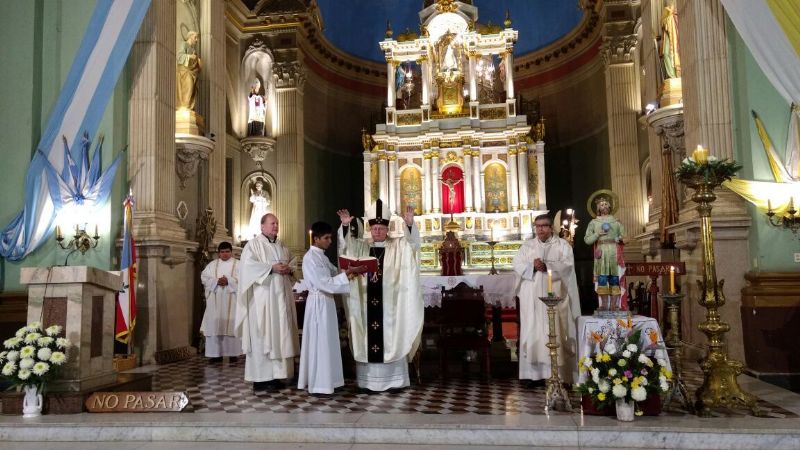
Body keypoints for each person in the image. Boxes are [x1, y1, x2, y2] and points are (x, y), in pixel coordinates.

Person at [337, 200, 423, 392]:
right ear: (370, 228)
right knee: (367, 335)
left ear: (388, 228)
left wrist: (409, 225)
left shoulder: (398, 246)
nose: (377, 231)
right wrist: (344, 226)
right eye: (374, 228)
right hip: (366, 302)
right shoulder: (360, 247)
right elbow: (344, 249)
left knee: (391, 335)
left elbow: (414, 247)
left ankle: (395, 381)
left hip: (391, 305)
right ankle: (368, 382)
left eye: (381, 228)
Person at [298, 221, 367, 395]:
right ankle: (319, 384)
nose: (330, 241)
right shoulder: (310, 258)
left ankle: (332, 380)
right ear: (316, 239)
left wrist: (349, 272)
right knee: (320, 342)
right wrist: (346, 275)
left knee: (329, 341)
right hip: (318, 304)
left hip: (327, 303)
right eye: (326, 238)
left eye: (330, 237)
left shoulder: (322, 256)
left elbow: (335, 274)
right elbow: (324, 283)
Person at [513, 214, 580, 386]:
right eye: (537, 226)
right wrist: (532, 267)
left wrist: (548, 266)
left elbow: (568, 266)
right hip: (533, 296)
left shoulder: (562, 245)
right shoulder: (527, 246)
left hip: (555, 295)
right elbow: (517, 264)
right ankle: (534, 376)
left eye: (544, 226)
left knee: (556, 329)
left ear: (551, 228)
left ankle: (559, 375)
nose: (540, 229)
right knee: (533, 329)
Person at [235, 213, 298, 391]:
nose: (275, 226)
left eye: (277, 223)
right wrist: (271, 268)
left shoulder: (282, 245)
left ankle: (277, 376)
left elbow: (293, 262)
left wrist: (289, 269)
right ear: (262, 227)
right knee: (262, 336)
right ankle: (261, 379)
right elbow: (246, 268)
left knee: (280, 335)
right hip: (262, 302)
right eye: (272, 223)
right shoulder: (253, 245)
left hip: (280, 301)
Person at [200, 241, 242, 363]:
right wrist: (216, 281)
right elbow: (204, 277)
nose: (225, 254)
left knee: (232, 325)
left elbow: (244, 279)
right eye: (222, 252)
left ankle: (233, 354)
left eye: (227, 251)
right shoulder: (212, 265)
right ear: (219, 253)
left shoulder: (239, 265)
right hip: (215, 302)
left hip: (232, 300)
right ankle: (215, 355)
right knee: (214, 325)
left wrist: (229, 281)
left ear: (231, 252)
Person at [584, 195, 626, 311]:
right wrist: (597, 234)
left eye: (606, 204)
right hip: (601, 252)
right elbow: (587, 240)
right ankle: (603, 305)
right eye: (601, 205)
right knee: (602, 279)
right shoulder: (593, 223)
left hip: (614, 251)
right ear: (598, 208)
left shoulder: (617, 222)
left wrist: (621, 238)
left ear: (610, 206)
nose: (604, 206)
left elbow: (625, 237)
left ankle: (614, 305)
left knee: (614, 278)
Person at [176, 31, 202, 110]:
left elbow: (195, 64)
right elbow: (179, 56)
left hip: (192, 72)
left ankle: (188, 106)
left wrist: (198, 62)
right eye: (195, 37)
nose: (196, 40)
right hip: (184, 72)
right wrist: (190, 57)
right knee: (189, 85)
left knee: (192, 90)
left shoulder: (193, 49)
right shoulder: (184, 44)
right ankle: (184, 106)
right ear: (190, 37)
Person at [660, 0, 681, 79]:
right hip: (668, 32)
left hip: (674, 32)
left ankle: (675, 74)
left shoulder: (675, 6)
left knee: (672, 53)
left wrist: (669, 16)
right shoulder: (668, 7)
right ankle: (672, 75)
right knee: (665, 53)